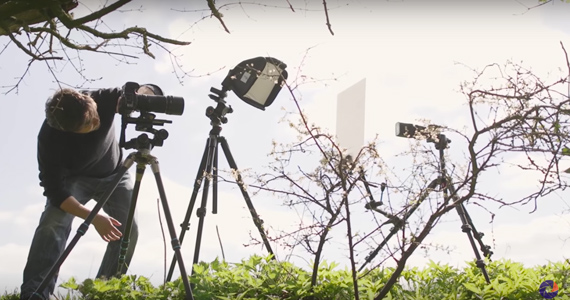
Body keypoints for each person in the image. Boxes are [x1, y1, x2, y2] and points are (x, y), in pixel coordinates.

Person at [20, 84, 160, 300]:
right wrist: (93, 218)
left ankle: (103, 292)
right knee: (52, 223)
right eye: (88, 124)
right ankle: (35, 293)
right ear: (68, 130)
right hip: (74, 180)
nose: (96, 122)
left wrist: (143, 95)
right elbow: (56, 194)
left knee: (129, 229)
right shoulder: (50, 140)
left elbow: (135, 92)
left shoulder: (101, 98)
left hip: (115, 173)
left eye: (94, 116)